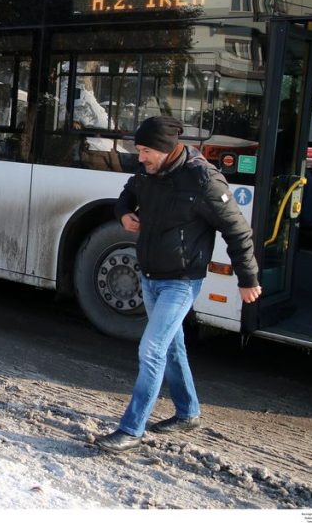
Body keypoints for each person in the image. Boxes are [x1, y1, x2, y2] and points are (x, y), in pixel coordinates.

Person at [96, 115, 261, 453]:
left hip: (181, 282)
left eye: (145, 151)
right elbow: (126, 196)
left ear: (165, 149)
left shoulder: (204, 180)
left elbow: (238, 231)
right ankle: (188, 412)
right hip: (150, 275)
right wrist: (123, 214)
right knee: (171, 346)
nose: (140, 157)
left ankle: (132, 429)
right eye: (138, 150)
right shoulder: (148, 171)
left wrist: (248, 279)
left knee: (152, 349)